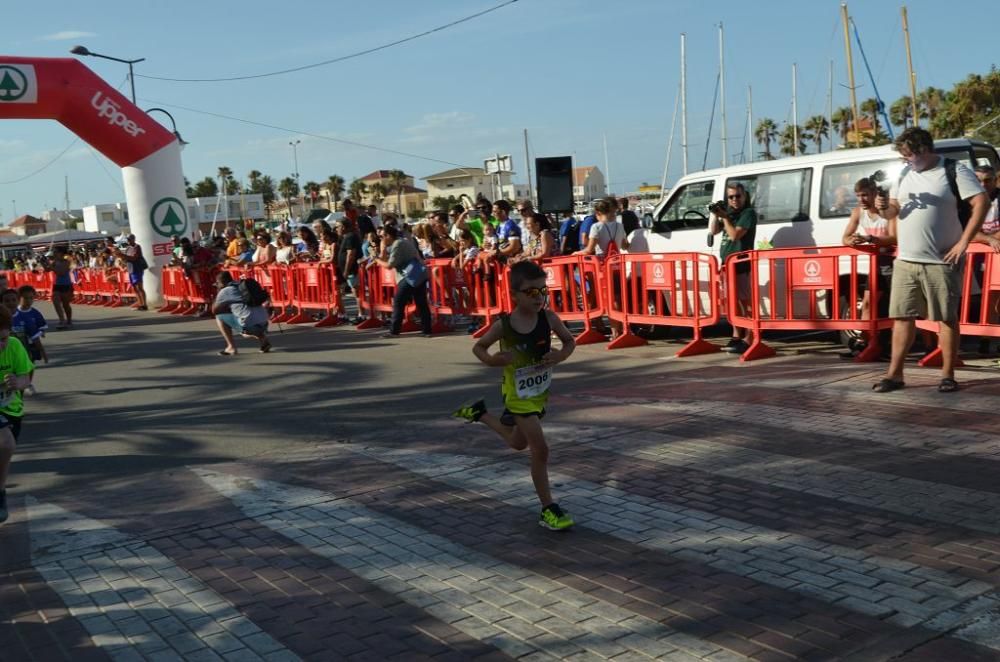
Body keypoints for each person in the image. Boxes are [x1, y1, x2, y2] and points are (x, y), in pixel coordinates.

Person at [452, 261, 577, 531]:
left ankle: (480, 413)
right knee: (540, 450)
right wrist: (493, 361)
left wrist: (559, 356)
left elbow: (569, 341)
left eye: (543, 290)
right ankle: (548, 509)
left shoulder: (549, 318)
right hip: (517, 397)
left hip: (538, 394)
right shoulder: (504, 325)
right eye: (531, 292)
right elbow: (479, 348)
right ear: (514, 294)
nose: (539, 297)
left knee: (517, 443)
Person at [873, 127, 988, 393]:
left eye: (909, 155)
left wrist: (963, 242)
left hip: (941, 260)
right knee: (901, 317)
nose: (905, 160)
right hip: (906, 259)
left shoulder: (953, 170)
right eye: (903, 156)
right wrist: (882, 208)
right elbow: (893, 211)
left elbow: (980, 202)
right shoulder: (903, 174)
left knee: (946, 318)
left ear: (924, 149)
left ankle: (948, 374)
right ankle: (895, 374)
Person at [841, 177, 897, 358]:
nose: (861, 199)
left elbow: (894, 238)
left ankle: (890, 346)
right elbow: (845, 237)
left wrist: (870, 239)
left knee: (896, 308)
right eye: (858, 195)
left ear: (874, 194)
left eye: (865, 195)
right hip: (876, 263)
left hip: (893, 262)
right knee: (866, 304)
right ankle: (866, 344)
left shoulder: (887, 211)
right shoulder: (858, 212)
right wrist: (853, 240)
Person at [713, 182, 758, 353]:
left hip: (741, 264)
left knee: (746, 302)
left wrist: (725, 217)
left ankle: (750, 336)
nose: (734, 200)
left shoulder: (748, 213)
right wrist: (716, 215)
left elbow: (734, 235)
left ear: (744, 196)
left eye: (737, 196)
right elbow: (714, 231)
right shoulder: (730, 213)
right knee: (732, 303)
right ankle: (736, 335)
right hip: (727, 264)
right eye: (730, 197)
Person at [0, 306, 35, 524]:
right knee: (6, 444)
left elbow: (26, 377)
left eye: (3, 338)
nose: (1, 345)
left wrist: (17, 382)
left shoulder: (14, 346)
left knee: (4, 448)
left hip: (12, 409)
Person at [372, 224, 432, 338]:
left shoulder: (398, 244)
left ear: (388, 236)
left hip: (409, 276)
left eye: (382, 237)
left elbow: (389, 265)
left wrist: (376, 259)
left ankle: (394, 331)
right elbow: (386, 259)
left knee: (399, 302)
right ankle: (427, 330)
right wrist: (382, 250)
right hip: (418, 274)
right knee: (421, 302)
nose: (381, 239)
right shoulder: (401, 242)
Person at [972, 165, 1000, 355]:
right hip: (976, 256)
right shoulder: (969, 199)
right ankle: (984, 337)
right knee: (984, 299)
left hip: (996, 255)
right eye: (979, 180)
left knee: (996, 297)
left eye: (988, 180)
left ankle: (992, 338)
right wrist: (989, 239)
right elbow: (968, 230)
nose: (983, 185)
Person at [211, 271, 271, 355]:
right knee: (245, 316)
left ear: (220, 282)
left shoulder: (225, 291)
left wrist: (218, 294)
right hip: (264, 322)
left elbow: (214, 310)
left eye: (217, 283)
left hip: (249, 325)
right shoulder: (242, 285)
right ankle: (263, 340)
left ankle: (231, 347)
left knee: (219, 317)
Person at [12, 286, 47, 364]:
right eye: (26, 298)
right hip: (18, 343)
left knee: (31, 363)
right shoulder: (14, 312)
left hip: (32, 343)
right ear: (19, 298)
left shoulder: (35, 313)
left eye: (31, 298)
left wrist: (42, 332)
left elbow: (41, 325)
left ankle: (29, 375)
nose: (29, 300)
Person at [117, 234, 148, 311]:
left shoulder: (137, 247)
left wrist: (122, 255)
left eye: (129, 239)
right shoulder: (127, 248)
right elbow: (125, 258)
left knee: (139, 287)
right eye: (127, 239)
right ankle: (140, 303)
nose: (128, 241)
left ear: (133, 239)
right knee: (134, 288)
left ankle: (144, 304)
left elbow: (134, 258)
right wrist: (121, 259)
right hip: (130, 269)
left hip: (137, 269)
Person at [49, 246, 74, 329]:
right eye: (54, 252)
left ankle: (69, 319)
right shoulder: (54, 261)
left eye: (56, 252)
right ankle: (62, 320)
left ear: (61, 253)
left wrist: (52, 267)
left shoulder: (66, 262)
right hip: (57, 285)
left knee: (65, 304)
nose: (54, 254)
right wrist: (44, 263)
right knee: (55, 302)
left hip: (66, 285)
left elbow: (62, 273)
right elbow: (47, 269)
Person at [336, 218, 362, 293]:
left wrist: (346, 271)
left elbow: (350, 255)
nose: (336, 229)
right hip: (350, 271)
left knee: (356, 291)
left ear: (343, 227)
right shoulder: (346, 237)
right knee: (354, 290)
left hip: (352, 270)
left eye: (337, 227)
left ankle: (360, 305)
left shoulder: (350, 237)